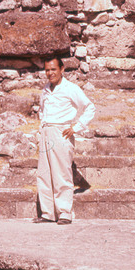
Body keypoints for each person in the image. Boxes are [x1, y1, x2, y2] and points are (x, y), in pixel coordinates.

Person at [34, 55, 96, 225]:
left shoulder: (71, 88)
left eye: (53, 69)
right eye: (47, 70)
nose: (50, 73)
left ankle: (64, 212)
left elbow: (89, 107)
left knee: (62, 173)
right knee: (45, 174)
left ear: (62, 69)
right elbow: (42, 111)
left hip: (62, 133)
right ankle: (47, 213)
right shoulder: (46, 89)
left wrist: (76, 127)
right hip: (46, 132)